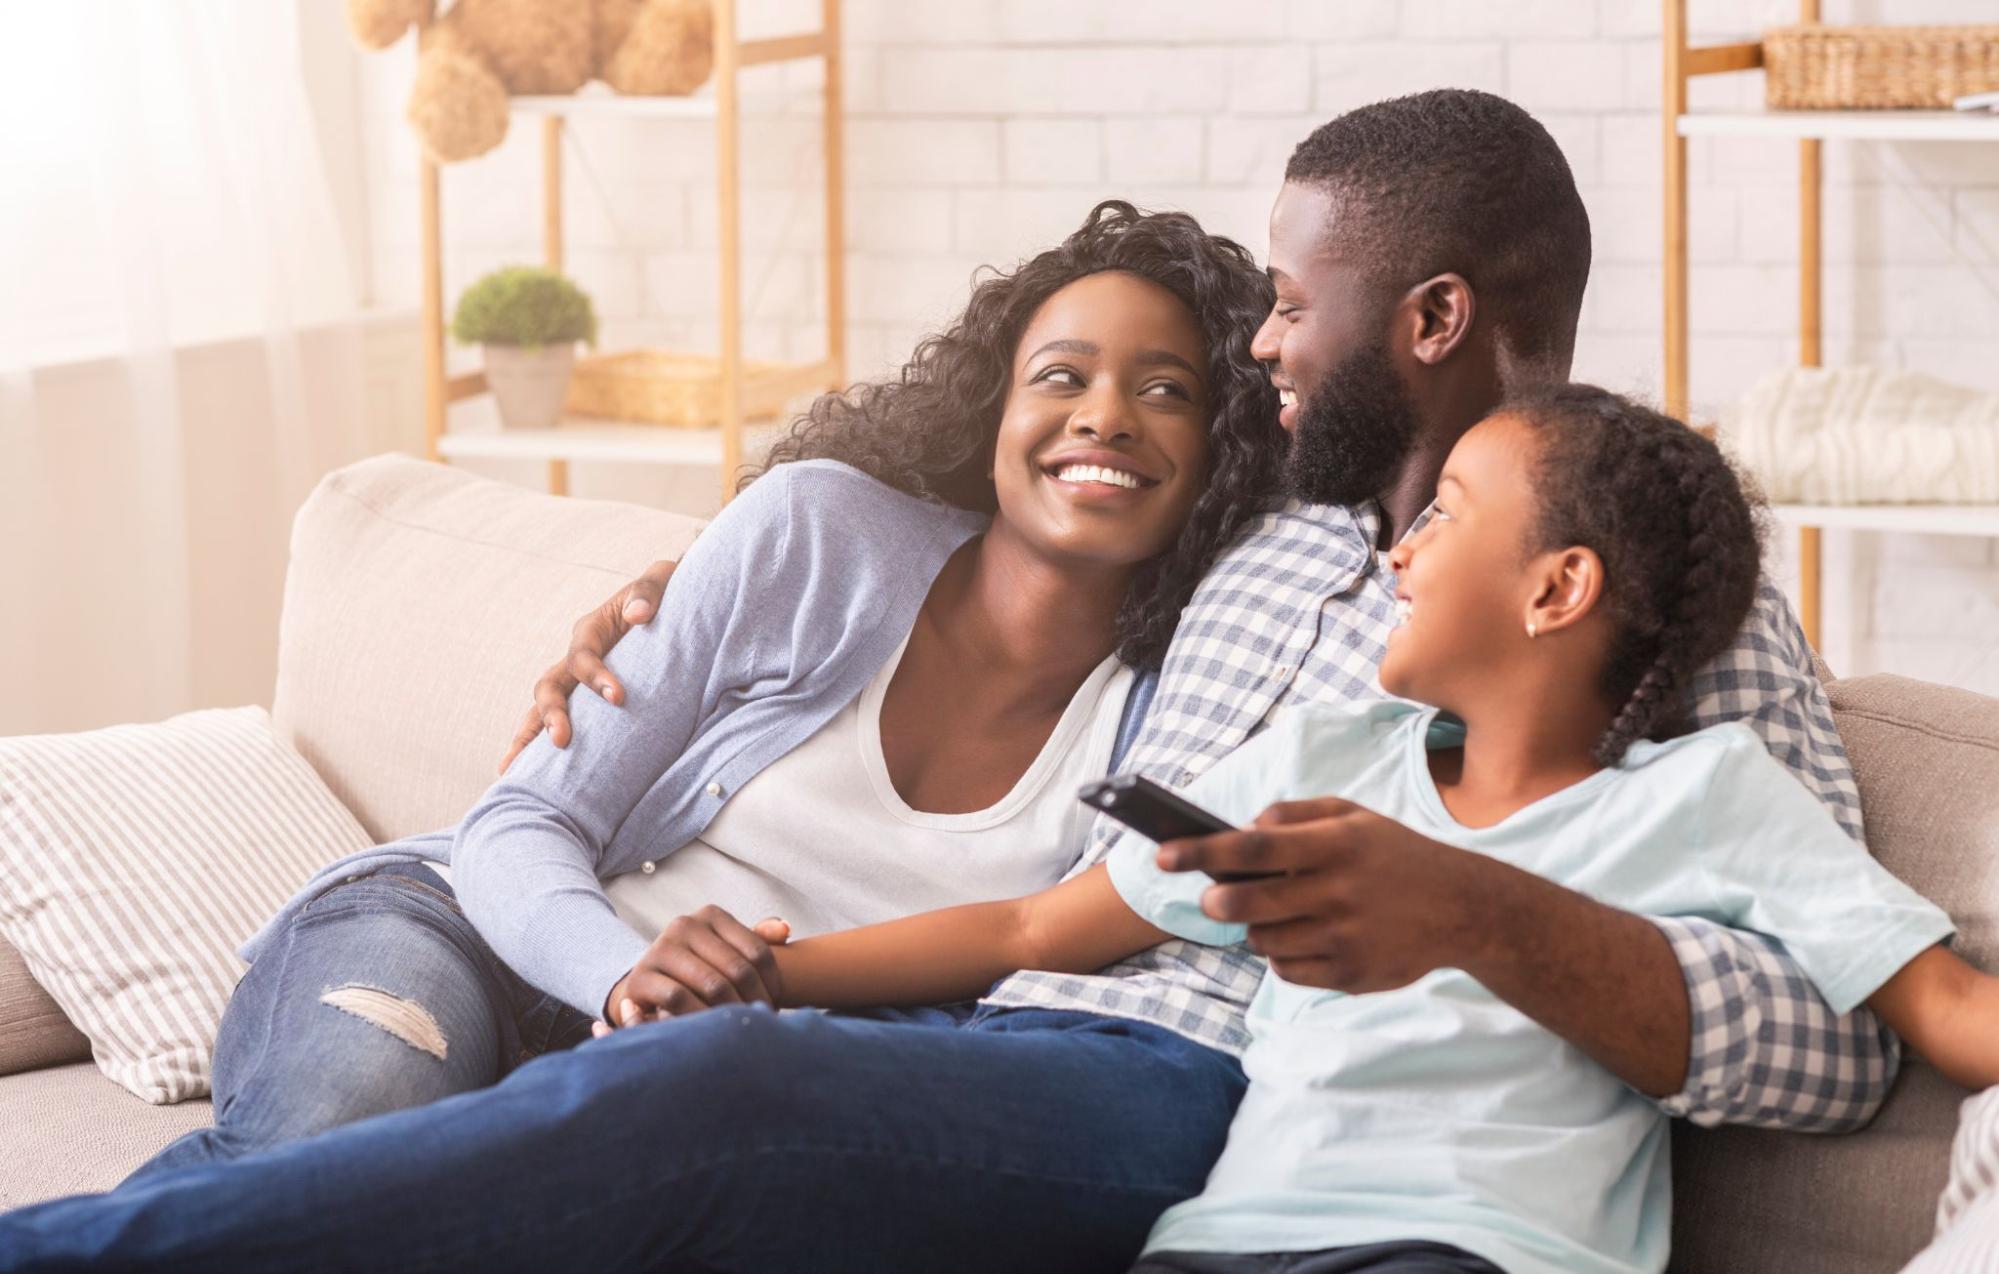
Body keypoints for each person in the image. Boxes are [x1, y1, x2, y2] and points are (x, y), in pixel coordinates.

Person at [0, 90, 1905, 1273]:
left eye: (1288, 313)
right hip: (998, 1022)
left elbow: (1840, 1044)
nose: (1257, 346)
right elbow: (999, 460)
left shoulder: (1672, 599)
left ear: (1425, 322)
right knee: (562, 1153)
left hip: (1197, 1091)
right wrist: (658, 585)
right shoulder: (1253, 537)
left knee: (704, 1100)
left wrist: (1474, 913)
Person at [640, 385, 1977, 1274]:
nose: (1397, 551)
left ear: (1555, 588)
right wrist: (767, 972)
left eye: (1445, 511)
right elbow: (1030, 924)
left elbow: (1939, 1007)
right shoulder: (1320, 763)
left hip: (1466, 1247)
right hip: (1217, 1240)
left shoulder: (1709, 797)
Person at [121, 199, 1284, 1183]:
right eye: (1060, 376)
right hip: (480, 939)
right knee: (350, 1124)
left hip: (721, 1065)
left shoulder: (1183, 701)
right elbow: (524, 819)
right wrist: (623, 974)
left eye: (1167, 389)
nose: (1103, 415)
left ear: (1223, 443)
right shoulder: (818, 534)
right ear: (995, 413)